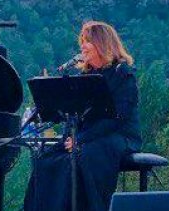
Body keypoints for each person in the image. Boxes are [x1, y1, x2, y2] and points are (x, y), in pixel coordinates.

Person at [24, 21, 142, 211]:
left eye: (87, 41)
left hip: (118, 135)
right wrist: (71, 138)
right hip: (85, 136)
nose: (82, 46)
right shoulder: (87, 76)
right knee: (46, 159)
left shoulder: (123, 74)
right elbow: (75, 113)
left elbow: (117, 118)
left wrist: (81, 139)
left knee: (85, 155)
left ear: (102, 43)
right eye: (82, 41)